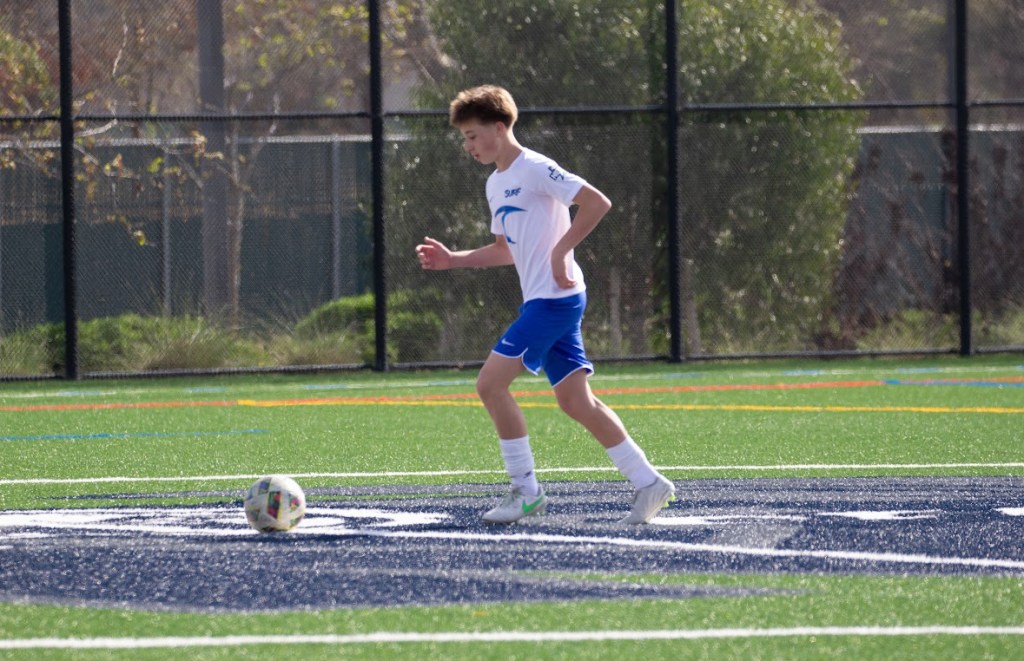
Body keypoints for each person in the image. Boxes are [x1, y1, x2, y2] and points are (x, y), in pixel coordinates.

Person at [415, 85, 675, 525]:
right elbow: (505, 249)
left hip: (556, 300)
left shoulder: (536, 168)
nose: (469, 145)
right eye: (465, 138)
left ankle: (527, 491)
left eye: (474, 135)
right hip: (545, 300)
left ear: (499, 129)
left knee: (489, 385)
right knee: (576, 401)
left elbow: (596, 202)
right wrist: (454, 259)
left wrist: (560, 252)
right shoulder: (496, 183)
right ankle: (649, 483)